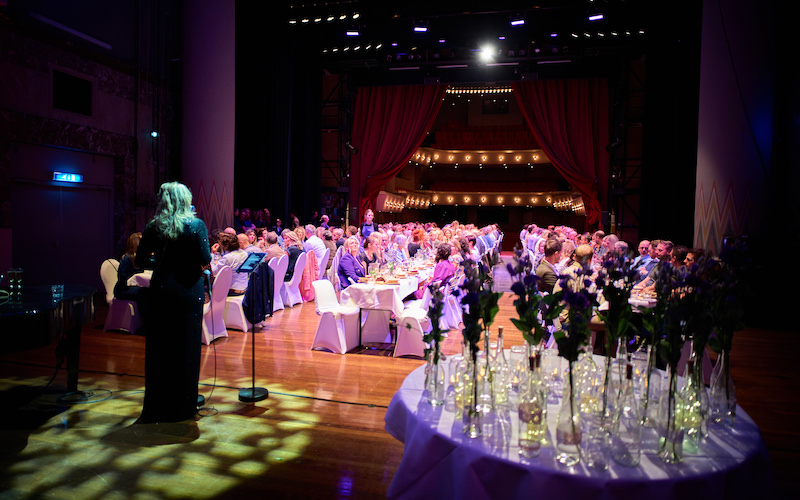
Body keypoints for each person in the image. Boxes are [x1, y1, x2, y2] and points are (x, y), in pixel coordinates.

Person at [135, 182, 211, 423]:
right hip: (188, 290)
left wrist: (161, 257)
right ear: (185, 200)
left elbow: (142, 260)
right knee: (186, 348)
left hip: (161, 289)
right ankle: (182, 405)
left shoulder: (152, 226)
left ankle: (159, 405)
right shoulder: (196, 225)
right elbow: (205, 258)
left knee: (160, 347)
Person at [114, 232, 145, 302]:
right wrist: (136, 283)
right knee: (143, 292)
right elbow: (122, 278)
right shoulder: (126, 258)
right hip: (123, 289)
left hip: (136, 286)